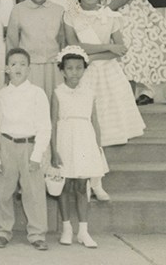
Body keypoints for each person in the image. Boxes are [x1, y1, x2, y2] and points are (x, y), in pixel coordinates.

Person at [63, 0, 145, 149]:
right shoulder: (71, 15)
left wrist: (95, 56)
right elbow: (74, 47)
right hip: (84, 72)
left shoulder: (111, 15)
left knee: (111, 111)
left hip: (109, 71)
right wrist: (107, 47)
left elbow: (120, 49)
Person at [0, 48, 51, 251]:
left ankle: (37, 234)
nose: (18, 68)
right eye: (14, 64)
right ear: (7, 69)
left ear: (29, 69)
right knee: (3, 192)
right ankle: (2, 231)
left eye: (23, 64)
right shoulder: (1, 94)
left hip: (29, 146)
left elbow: (45, 127)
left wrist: (37, 155)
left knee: (33, 192)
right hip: (7, 145)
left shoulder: (37, 93)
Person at [51, 46, 108, 249]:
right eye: (69, 68)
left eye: (78, 68)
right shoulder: (58, 93)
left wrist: (98, 148)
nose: (74, 72)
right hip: (65, 140)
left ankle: (83, 231)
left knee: (82, 187)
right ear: (62, 71)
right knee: (65, 186)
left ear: (84, 70)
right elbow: (53, 122)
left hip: (85, 140)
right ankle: (67, 228)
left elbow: (95, 121)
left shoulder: (90, 93)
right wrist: (53, 150)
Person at [6, 0, 65, 97]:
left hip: (54, 67)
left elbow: (63, 43)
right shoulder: (18, 10)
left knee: (53, 103)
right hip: (29, 68)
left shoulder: (59, 10)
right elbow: (12, 45)